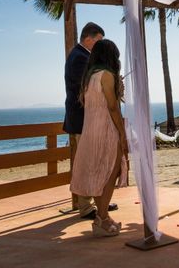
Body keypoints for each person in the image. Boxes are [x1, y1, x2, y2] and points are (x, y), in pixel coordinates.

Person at [70, 39, 128, 237]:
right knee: (110, 173)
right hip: (105, 129)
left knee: (97, 173)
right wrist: (122, 132)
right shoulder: (107, 75)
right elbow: (112, 107)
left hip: (90, 130)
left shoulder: (89, 77)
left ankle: (101, 218)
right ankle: (102, 218)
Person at [64, 22, 117, 219]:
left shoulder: (81, 56)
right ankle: (86, 207)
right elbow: (86, 88)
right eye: (99, 41)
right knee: (87, 162)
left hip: (89, 118)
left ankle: (98, 201)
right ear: (88, 39)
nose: (101, 46)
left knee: (95, 161)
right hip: (83, 119)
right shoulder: (80, 58)